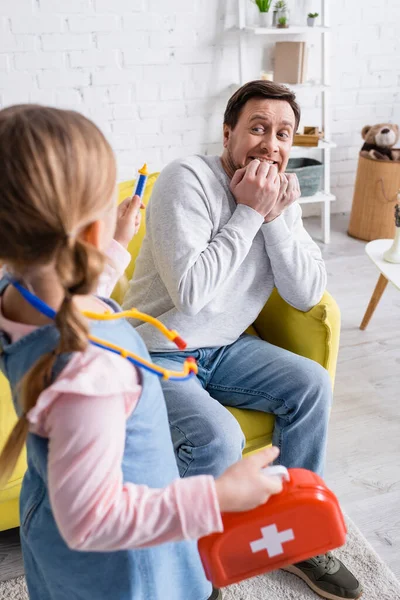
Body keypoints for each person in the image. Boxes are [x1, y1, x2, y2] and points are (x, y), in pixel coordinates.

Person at [0, 104, 284, 600]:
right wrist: (217, 496)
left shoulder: (14, 294)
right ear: (88, 230)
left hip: (51, 533)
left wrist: (112, 249)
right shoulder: (91, 371)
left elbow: (67, 307)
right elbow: (93, 521)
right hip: (126, 575)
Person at [123, 81, 363, 600]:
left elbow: (305, 294)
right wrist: (249, 212)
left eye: (283, 134)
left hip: (224, 347)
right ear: (228, 133)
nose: (270, 145)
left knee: (312, 384)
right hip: (156, 351)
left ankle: (295, 537)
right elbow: (192, 295)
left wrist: (274, 217)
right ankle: (188, 565)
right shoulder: (185, 179)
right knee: (217, 437)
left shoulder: (279, 194)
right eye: (257, 128)